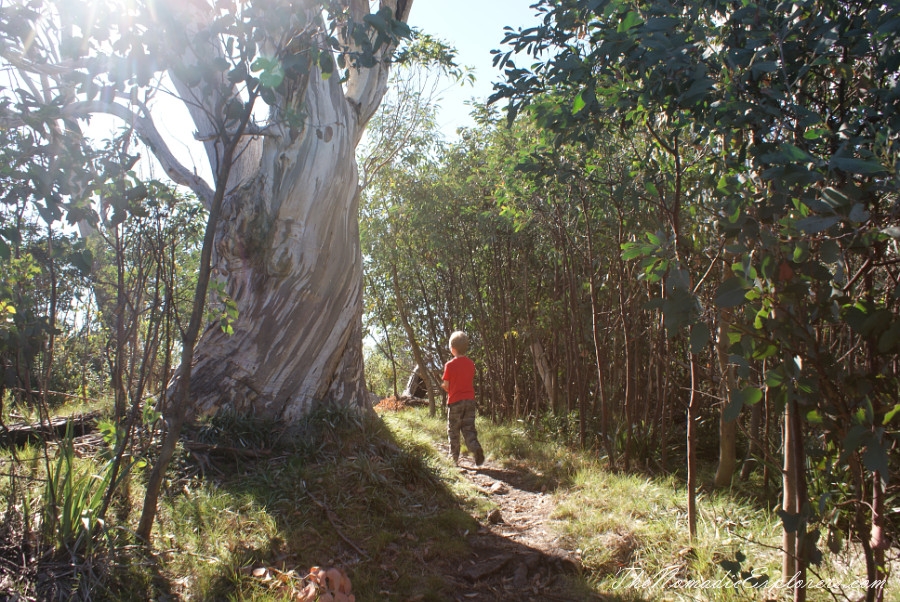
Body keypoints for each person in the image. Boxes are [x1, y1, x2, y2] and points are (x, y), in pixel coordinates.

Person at [441, 331, 485, 466]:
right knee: (469, 428)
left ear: (452, 349)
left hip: (455, 402)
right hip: (470, 401)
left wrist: (443, 385)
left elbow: (447, 386)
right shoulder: (471, 364)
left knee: (453, 431)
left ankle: (453, 459)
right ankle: (476, 448)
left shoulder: (449, 365)